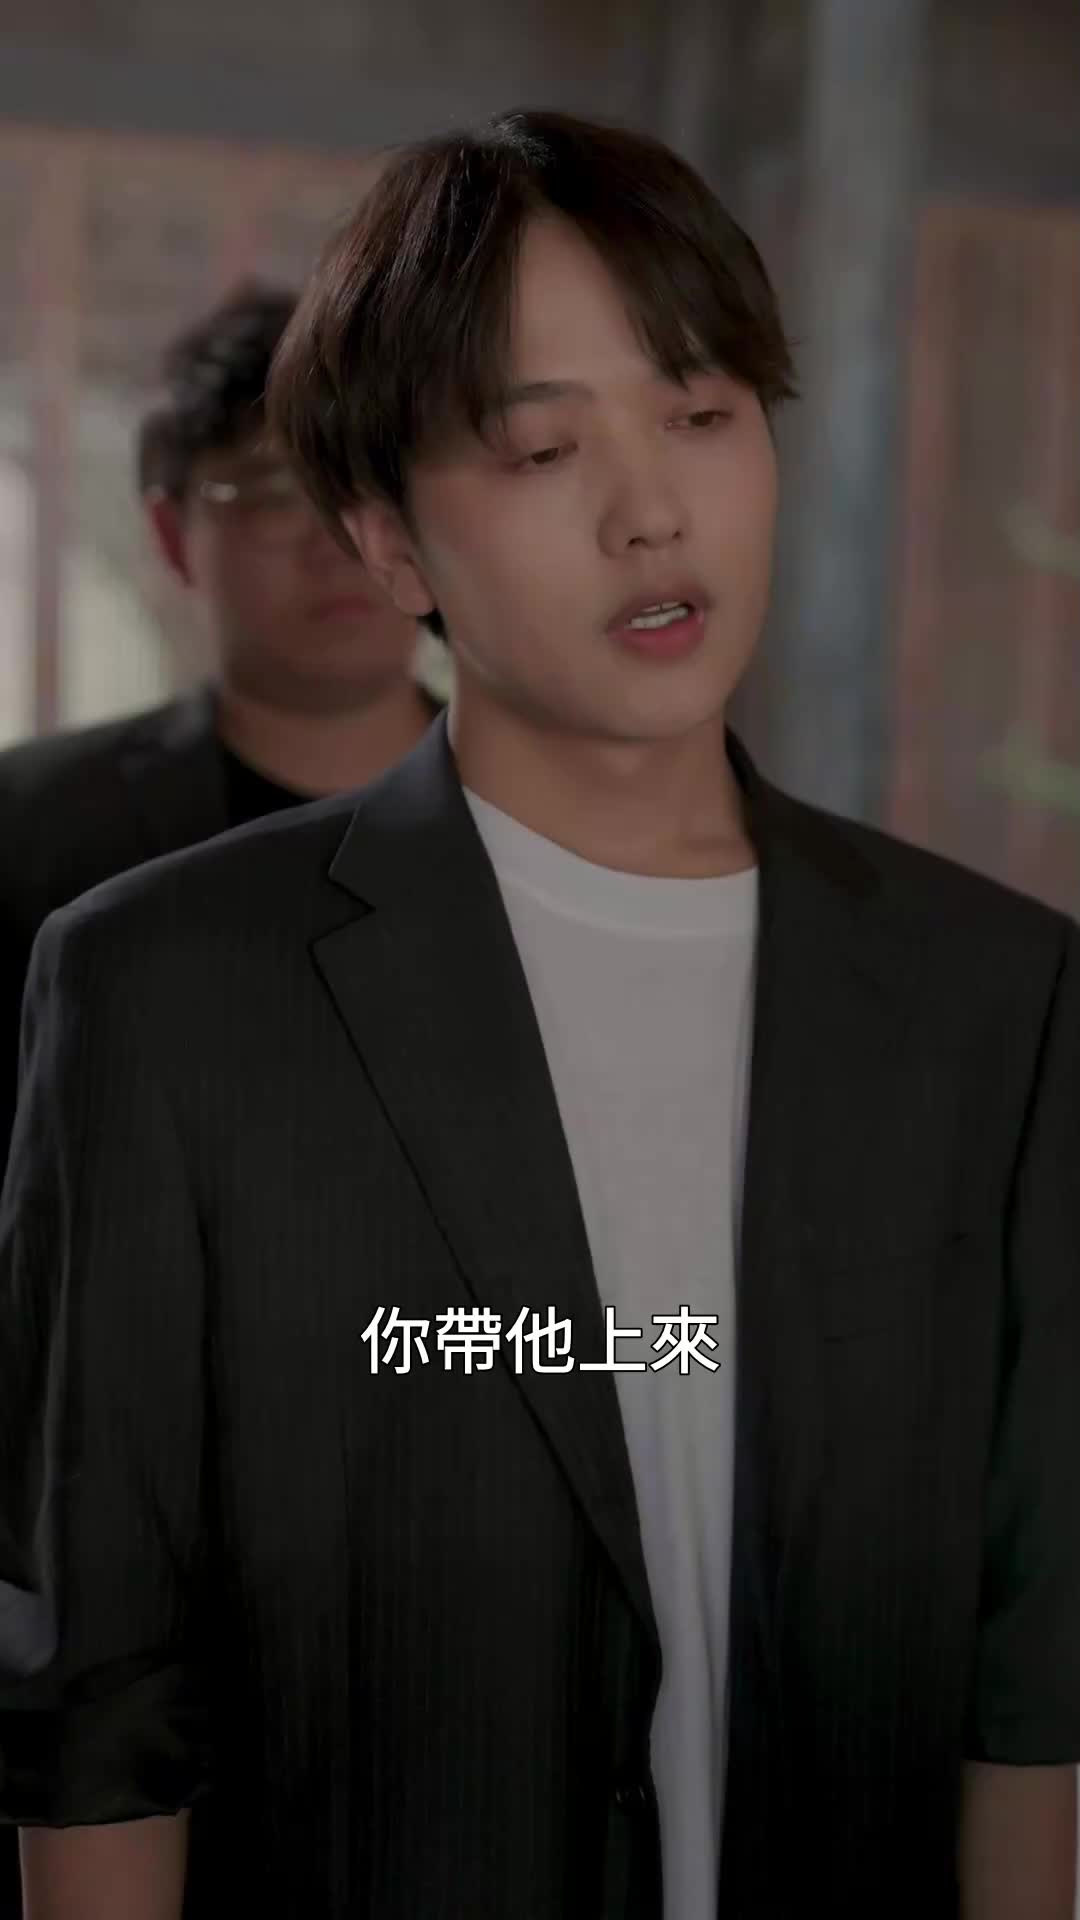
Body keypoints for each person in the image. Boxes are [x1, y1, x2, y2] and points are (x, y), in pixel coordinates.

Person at [1, 109, 1078, 1920]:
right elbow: (99, 1677)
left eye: (703, 415)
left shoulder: (997, 999)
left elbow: (1028, 1672)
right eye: (543, 447)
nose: (651, 509)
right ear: (391, 541)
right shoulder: (169, 992)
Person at [0, 283, 444, 1170]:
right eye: (276, 492)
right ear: (173, 536)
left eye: (369, 490)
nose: (337, 544)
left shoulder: (551, 811)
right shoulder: (30, 824)